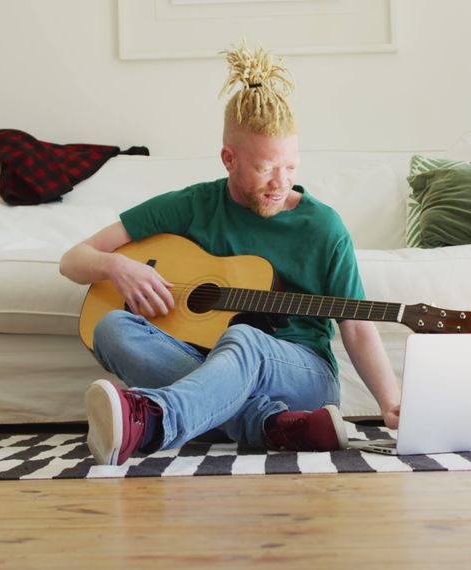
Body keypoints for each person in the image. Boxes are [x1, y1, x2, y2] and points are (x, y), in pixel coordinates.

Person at [59, 43, 400, 466]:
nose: (280, 183)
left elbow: (357, 325)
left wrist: (391, 403)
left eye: (291, 167)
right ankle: (271, 425)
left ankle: (153, 422)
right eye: (265, 168)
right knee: (110, 327)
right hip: (204, 359)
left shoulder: (323, 226)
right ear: (228, 159)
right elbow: (73, 259)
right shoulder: (192, 205)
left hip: (303, 372)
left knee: (242, 337)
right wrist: (117, 266)